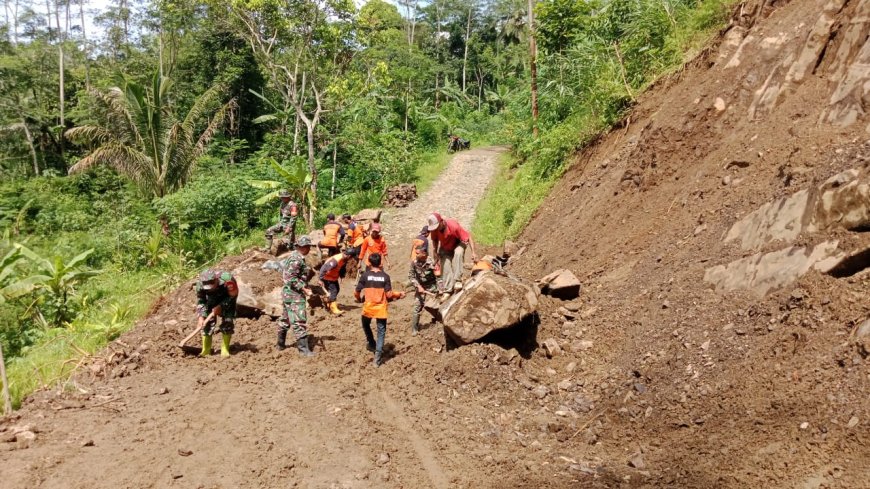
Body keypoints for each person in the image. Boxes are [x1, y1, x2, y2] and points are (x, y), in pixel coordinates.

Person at [354, 253, 405, 367]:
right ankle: (377, 359)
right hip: (381, 308)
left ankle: (371, 343)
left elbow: (356, 292)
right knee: (381, 332)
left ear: (369, 263)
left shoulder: (365, 276)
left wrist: (359, 299)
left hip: (368, 307)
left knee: (365, 324)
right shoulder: (385, 276)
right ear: (380, 262)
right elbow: (389, 294)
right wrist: (399, 294)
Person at [277, 235, 315, 356]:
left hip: (289, 293)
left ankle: (280, 344)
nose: (309, 249)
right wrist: (304, 288)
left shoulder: (296, 257)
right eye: (308, 246)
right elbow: (290, 278)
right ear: (303, 247)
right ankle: (303, 350)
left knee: (285, 319)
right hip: (294, 295)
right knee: (299, 320)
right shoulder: (296, 259)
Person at [427, 212, 478, 293]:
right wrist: (435, 253)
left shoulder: (453, 226)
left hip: (459, 242)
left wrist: (473, 252)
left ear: (441, 221)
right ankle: (448, 289)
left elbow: (468, 236)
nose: (436, 229)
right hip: (446, 246)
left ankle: (458, 280)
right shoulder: (434, 230)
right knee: (445, 262)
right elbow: (435, 241)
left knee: (458, 253)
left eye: (437, 226)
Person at [195, 269, 238, 357]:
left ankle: (225, 349)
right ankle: (206, 350)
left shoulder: (228, 279)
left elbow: (233, 295)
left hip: (227, 299)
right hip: (210, 301)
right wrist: (201, 316)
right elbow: (201, 301)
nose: (210, 288)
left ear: (216, 279)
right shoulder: (200, 285)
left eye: (212, 285)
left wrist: (221, 306)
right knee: (206, 325)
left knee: (227, 323)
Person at [408, 246, 443, 336]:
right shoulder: (414, 263)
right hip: (421, 287)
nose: (415, 255)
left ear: (424, 253)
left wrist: (440, 290)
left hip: (432, 287)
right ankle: (414, 329)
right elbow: (411, 276)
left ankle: (439, 321)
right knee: (417, 307)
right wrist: (418, 286)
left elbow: (438, 277)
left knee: (437, 306)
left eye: (417, 253)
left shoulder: (432, 262)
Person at [319, 248, 356, 316]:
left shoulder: (344, 259)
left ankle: (327, 302)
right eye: (351, 258)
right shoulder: (336, 260)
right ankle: (333, 309)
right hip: (327, 277)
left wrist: (341, 275)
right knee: (334, 291)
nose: (351, 259)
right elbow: (324, 268)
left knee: (337, 289)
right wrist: (320, 279)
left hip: (333, 277)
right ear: (349, 256)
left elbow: (342, 267)